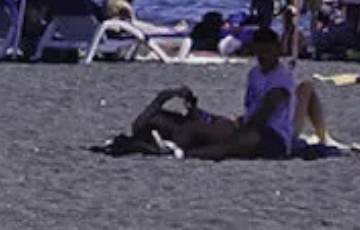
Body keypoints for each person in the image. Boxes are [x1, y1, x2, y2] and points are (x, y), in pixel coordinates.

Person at [133, 28, 314, 160]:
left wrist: (243, 125)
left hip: (274, 135)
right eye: (259, 51)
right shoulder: (254, 73)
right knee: (208, 128)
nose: (263, 56)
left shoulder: (281, 79)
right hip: (252, 125)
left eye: (267, 51)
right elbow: (252, 107)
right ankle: (180, 145)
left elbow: (267, 110)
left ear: (276, 50)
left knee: (232, 143)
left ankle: (184, 154)